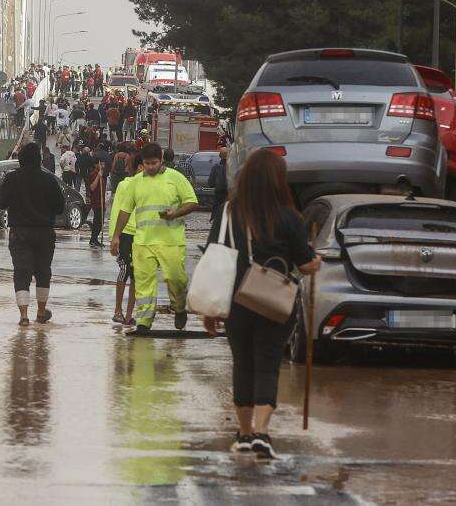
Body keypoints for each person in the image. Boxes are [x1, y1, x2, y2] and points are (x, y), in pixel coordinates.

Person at [204, 150, 321, 460]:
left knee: (242, 363)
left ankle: (243, 435)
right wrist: (316, 260)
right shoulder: (288, 216)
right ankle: (262, 432)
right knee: (268, 364)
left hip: (235, 300)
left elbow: (214, 255)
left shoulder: (229, 212)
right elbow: (307, 265)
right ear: (278, 181)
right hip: (274, 300)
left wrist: (209, 308)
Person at [109, 142, 199, 335]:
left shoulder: (176, 178)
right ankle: (144, 321)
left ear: (161, 160)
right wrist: (116, 236)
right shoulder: (136, 183)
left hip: (171, 241)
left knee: (176, 279)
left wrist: (175, 213)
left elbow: (192, 202)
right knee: (143, 283)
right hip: (143, 242)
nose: (150, 167)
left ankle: (179, 307)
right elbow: (125, 211)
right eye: (147, 163)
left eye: (154, 163)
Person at [0, 142, 65, 326]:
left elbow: (0, 203)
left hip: (19, 233)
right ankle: (41, 312)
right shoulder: (49, 180)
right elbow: (60, 207)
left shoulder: (12, 178)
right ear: (39, 160)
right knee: (43, 272)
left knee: (21, 273)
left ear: (21, 159)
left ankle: (24, 316)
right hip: (44, 232)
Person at [108, 152, 145, 325]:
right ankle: (118, 311)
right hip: (125, 235)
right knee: (124, 270)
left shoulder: (149, 186)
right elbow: (116, 210)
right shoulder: (124, 185)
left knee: (136, 275)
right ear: (139, 167)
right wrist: (113, 237)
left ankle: (130, 314)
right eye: (146, 165)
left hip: (142, 236)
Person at [208, 145, 230, 231]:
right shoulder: (231, 168)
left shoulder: (216, 168)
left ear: (220, 156)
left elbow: (210, 183)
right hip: (229, 197)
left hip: (218, 196)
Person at [86, 160, 106, 249]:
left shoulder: (102, 174)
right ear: (96, 164)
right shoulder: (93, 174)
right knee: (97, 222)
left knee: (100, 222)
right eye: (101, 164)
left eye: (104, 164)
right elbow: (92, 187)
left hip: (101, 202)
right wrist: (98, 177)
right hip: (96, 202)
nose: (103, 165)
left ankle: (95, 239)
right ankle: (93, 239)